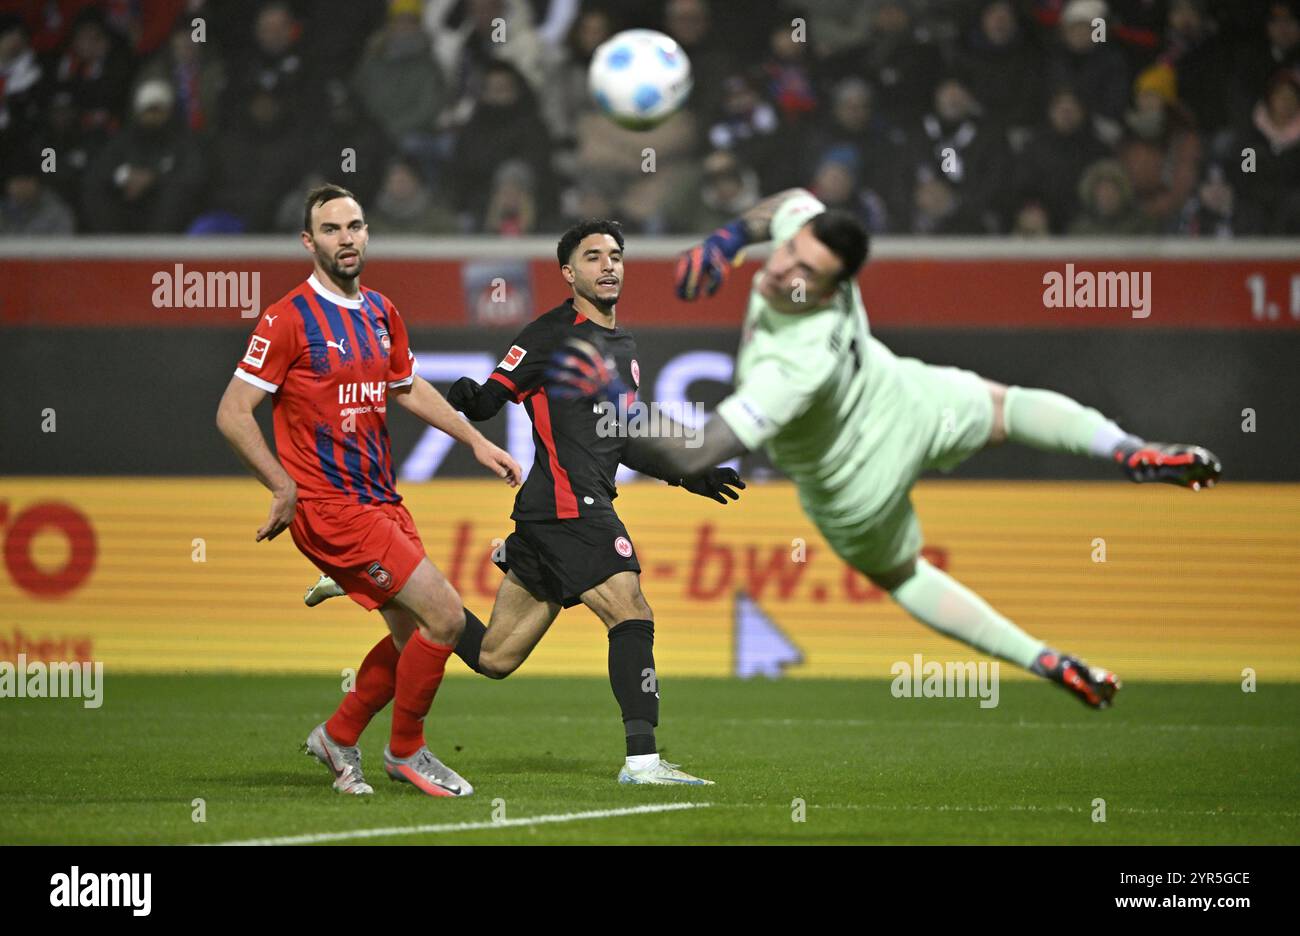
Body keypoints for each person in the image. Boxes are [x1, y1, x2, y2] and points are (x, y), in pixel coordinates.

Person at [562, 188, 1224, 710]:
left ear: (830, 292)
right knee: (1009, 406)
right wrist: (728, 238)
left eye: (805, 273)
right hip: (904, 392)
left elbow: (693, 454)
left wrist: (612, 404)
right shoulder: (812, 247)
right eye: (790, 251)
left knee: (904, 574)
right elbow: (789, 200)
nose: (785, 268)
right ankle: (1128, 449)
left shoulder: (794, 365)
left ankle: (1039, 657)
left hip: (853, 483)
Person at [306, 219, 744, 785]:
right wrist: (470, 397)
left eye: (615, 255)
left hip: (550, 514)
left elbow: (623, 435)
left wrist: (690, 474)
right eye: (592, 257)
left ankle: (390, 580)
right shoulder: (550, 334)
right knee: (631, 611)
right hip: (570, 506)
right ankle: (643, 762)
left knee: (494, 658)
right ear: (568, 273)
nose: (608, 266)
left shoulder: (623, 346)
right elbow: (493, 395)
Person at [216, 183, 522, 798]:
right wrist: (280, 484)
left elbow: (406, 386)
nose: (346, 238)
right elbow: (232, 412)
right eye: (331, 229)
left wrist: (473, 440)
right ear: (310, 242)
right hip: (329, 507)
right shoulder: (287, 318)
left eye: (354, 226)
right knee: (442, 616)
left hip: (381, 499)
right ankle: (406, 751)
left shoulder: (382, 311)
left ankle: (339, 733)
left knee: (413, 638)